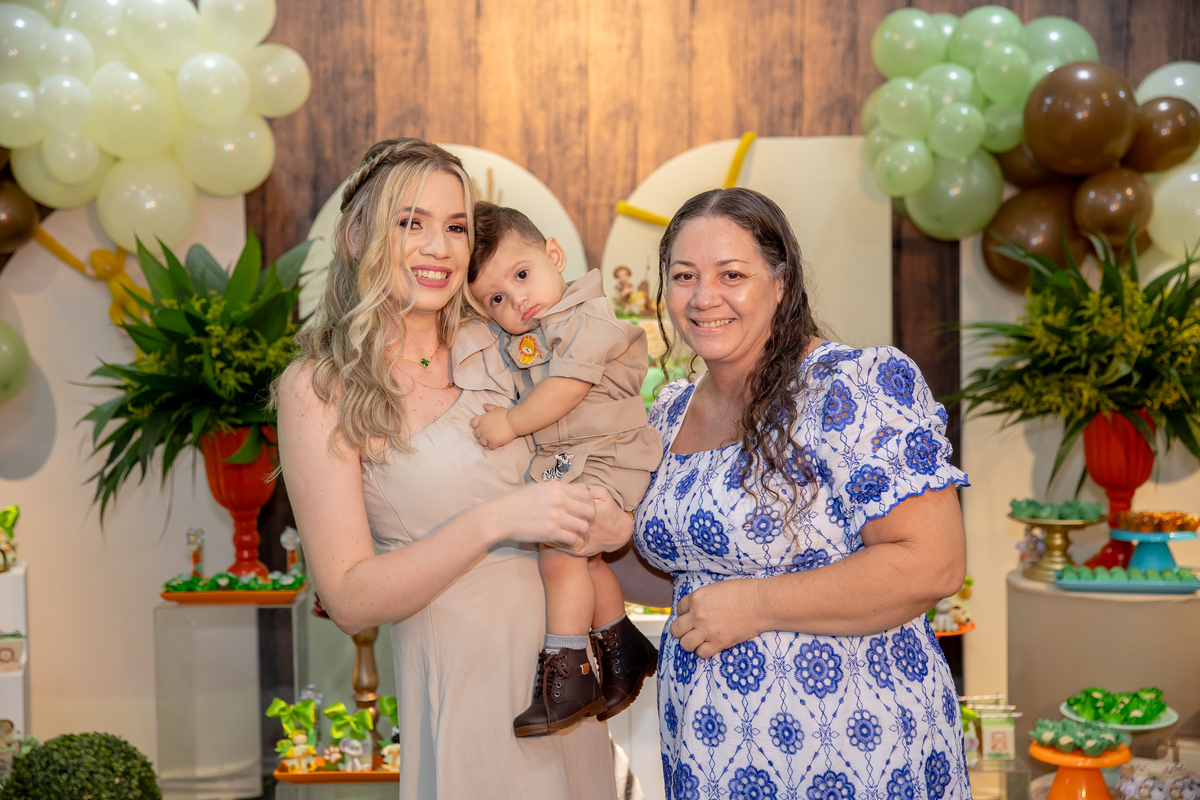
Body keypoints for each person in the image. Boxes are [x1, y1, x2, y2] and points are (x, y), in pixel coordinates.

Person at [273, 138, 628, 799]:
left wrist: (609, 521)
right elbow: (348, 600)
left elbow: (596, 450)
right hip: (470, 704)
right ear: (357, 236)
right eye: (412, 223)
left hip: (568, 695)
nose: (439, 248)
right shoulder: (321, 388)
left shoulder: (508, 342)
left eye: (457, 227)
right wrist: (496, 521)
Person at [633, 188, 971, 799]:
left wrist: (756, 606)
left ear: (780, 284)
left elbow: (933, 562)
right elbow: (683, 573)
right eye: (684, 276)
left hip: (857, 748)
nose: (704, 296)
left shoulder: (851, 385)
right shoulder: (670, 410)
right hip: (708, 753)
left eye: (731, 275)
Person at [458, 202, 661, 737]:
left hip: (611, 455)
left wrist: (511, 422)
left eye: (522, 275)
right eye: (496, 299)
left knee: (558, 553)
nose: (516, 300)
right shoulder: (530, 332)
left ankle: (570, 670)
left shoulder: (585, 317)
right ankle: (623, 646)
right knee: (584, 561)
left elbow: (567, 388)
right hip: (577, 461)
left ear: (555, 254)